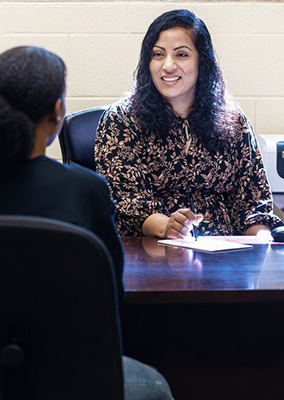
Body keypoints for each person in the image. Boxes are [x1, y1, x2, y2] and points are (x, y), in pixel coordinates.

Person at [0, 46, 174, 400]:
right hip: (68, 376)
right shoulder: (85, 189)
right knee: (154, 386)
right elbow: (111, 294)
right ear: (58, 111)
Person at [95, 9, 283, 239]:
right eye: (158, 54)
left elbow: (254, 204)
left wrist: (262, 243)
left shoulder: (233, 120)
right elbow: (127, 206)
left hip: (227, 255)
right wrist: (169, 228)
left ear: (202, 60)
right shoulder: (121, 119)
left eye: (182, 54)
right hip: (152, 250)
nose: (168, 65)